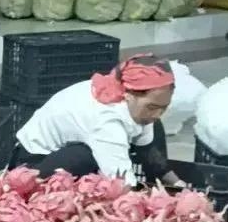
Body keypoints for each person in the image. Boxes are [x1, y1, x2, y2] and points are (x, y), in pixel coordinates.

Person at [12, 54, 186, 188]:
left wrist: (179, 186)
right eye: (152, 107)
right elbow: (122, 183)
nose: (158, 113)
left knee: (154, 126)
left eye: (164, 107)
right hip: (33, 165)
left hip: (75, 146)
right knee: (84, 157)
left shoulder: (136, 104)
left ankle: (154, 186)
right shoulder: (107, 118)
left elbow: (148, 151)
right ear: (129, 94)